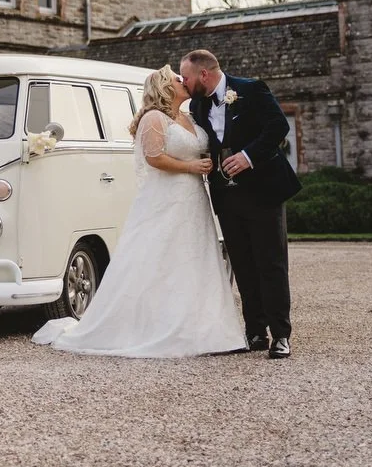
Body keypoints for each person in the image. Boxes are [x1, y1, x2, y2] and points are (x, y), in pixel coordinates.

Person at [33, 65, 246, 358]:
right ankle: (156, 327)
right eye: (177, 79)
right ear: (164, 87)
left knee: (194, 257)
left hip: (194, 198)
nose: (183, 81)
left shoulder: (189, 116)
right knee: (161, 259)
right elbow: (154, 158)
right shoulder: (153, 118)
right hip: (167, 197)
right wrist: (191, 166)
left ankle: (203, 329)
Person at [178, 49, 301, 360]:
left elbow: (278, 127)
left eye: (186, 77)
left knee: (271, 263)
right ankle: (255, 331)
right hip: (226, 194)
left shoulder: (251, 89)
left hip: (263, 190)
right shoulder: (196, 105)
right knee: (243, 265)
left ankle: (281, 335)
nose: (184, 82)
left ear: (204, 74)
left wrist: (248, 157)